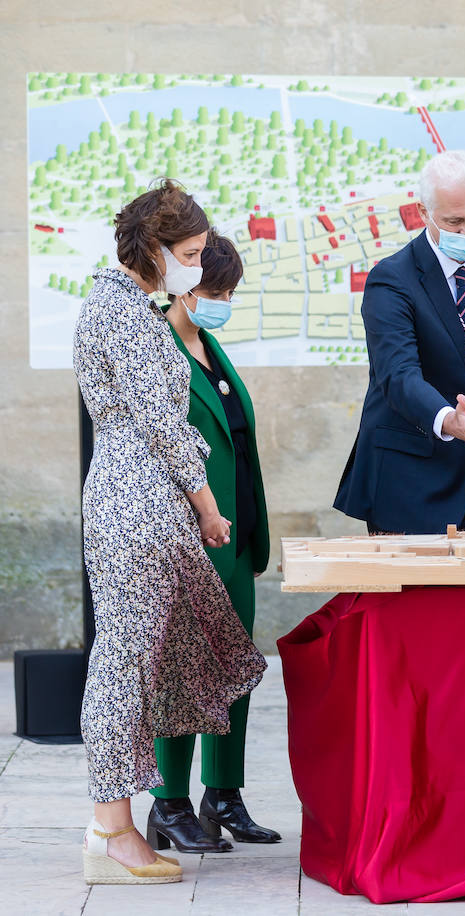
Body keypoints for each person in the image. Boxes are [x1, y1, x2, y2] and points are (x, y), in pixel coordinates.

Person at [72, 180, 266, 885]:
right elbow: (167, 427)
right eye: (186, 253)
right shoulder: (126, 313)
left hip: (132, 499)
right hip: (140, 501)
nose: (193, 266)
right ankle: (113, 830)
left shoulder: (118, 303)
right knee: (126, 670)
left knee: (143, 662)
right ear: (153, 250)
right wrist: (209, 508)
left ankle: (120, 823)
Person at [145, 232, 278, 853]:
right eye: (214, 291)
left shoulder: (210, 347)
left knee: (235, 670)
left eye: (229, 292)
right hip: (189, 537)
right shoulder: (158, 349)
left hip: (236, 537)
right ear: (182, 287)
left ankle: (224, 793)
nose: (222, 301)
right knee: (182, 668)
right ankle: (167, 802)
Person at [335, 150, 465, 534]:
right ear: (424, 212)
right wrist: (448, 419)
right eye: (455, 222)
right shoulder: (391, 280)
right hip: (409, 481)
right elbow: (398, 376)